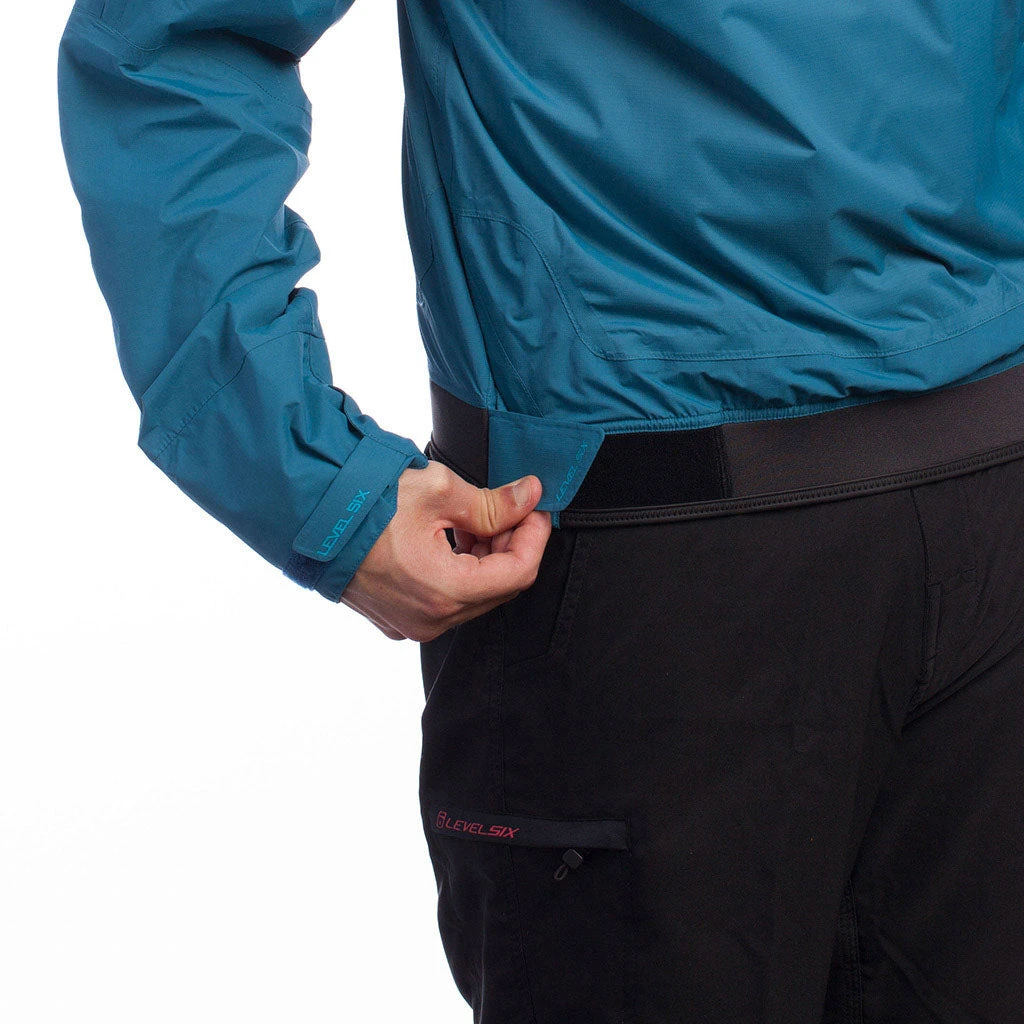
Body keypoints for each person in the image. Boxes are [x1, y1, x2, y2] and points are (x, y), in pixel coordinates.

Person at [57, 0, 1024, 1020]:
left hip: (686, 552)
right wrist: (311, 477)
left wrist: (316, 485)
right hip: (690, 524)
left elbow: (165, 48)